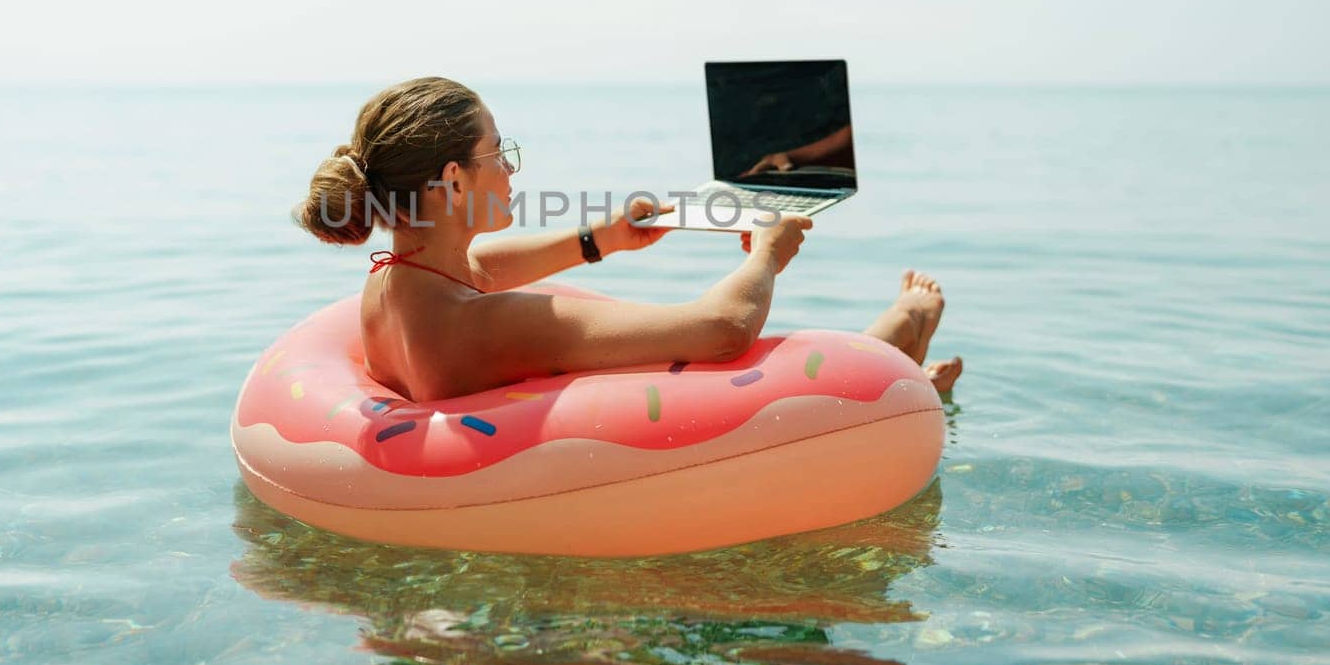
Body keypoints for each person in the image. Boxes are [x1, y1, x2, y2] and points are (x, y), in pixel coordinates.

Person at [292, 76, 963, 403]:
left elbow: (481, 266)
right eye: (499, 150)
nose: (511, 165)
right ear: (454, 180)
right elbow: (724, 325)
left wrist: (604, 238)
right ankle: (907, 329)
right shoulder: (495, 324)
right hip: (673, 442)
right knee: (746, 362)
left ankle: (913, 373)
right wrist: (769, 252)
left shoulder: (392, 285)